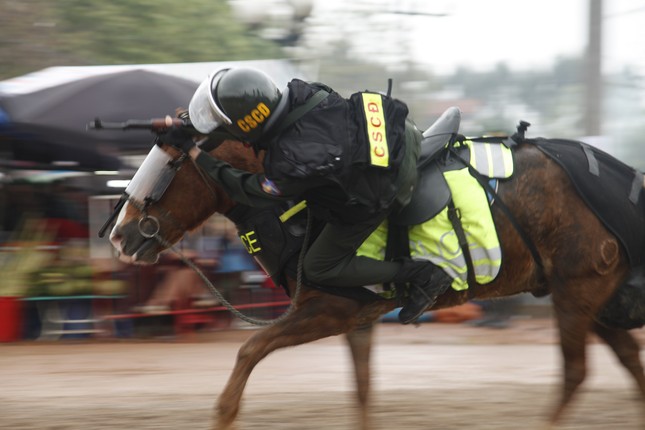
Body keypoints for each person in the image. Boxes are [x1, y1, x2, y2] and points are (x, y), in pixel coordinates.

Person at [160, 67, 452, 324]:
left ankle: (420, 275)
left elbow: (249, 190)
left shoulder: (290, 162)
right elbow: (244, 129)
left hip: (376, 191)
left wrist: (196, 152)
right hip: (399, 136)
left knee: (319, 267)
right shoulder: (303, 94)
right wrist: (191, 128)